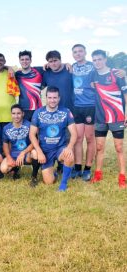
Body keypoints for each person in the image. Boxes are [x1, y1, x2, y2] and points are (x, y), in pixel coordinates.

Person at [90, 49, 127, 189]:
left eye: (99, 59)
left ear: (105, 59)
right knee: (99, 147)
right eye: (94, 60)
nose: (97, 62)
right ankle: (98, 174)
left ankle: (122, 176)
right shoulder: (93, 74)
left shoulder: (116, 74)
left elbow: (125, 94)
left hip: (117, 116)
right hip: (100, 117)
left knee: (119, 147)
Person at [29, 86, 77, 191]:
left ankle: (63, 185)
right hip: (45, 151)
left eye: (55, 98)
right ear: (46, 98)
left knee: (69, 155)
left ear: (59, 98)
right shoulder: (38, 113)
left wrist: (69, 147)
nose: (52, 100)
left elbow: (74, 134)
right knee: (49, 182)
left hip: (60, 148)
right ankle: (53, 173)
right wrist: (39, 151)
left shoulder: (66, 112)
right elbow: (32, 134)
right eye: (50, 97)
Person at [70, 44, 96, 181]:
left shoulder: (93, 65)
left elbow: (106, 70)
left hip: (90, 106)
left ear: (85, 52)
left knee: (90, 138)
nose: (78, 53)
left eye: (80, 51)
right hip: (77, 107)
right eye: (75, 52)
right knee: (78, 138)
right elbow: (57, 65)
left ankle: (87, 169)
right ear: (73, 54)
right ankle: (78, 167)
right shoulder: (71, 67)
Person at [0, 104, 39, 186]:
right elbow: (5, 145)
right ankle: (15, 169)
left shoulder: (29, 125)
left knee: (35, 153)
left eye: (18, 113)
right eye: (13, 113)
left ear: (23, 114)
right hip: (14, 154)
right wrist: (9, 157)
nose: (16, 116)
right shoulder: (6, 128)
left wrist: (23, 153)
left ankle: (34, 177)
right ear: (11, 114)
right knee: (3, 169)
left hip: (27, 152)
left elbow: (34, 142)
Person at [15, 50, 43, 121]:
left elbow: (53, 65)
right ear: (19, 61)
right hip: (22, 110)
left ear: (31, 60)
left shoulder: (39, 70)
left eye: (27, 59)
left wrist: (66, 64)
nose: (25, 61)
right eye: (22, 59)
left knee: (37, 131)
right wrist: (8, 68)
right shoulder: (17, 74)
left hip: (37, 109)